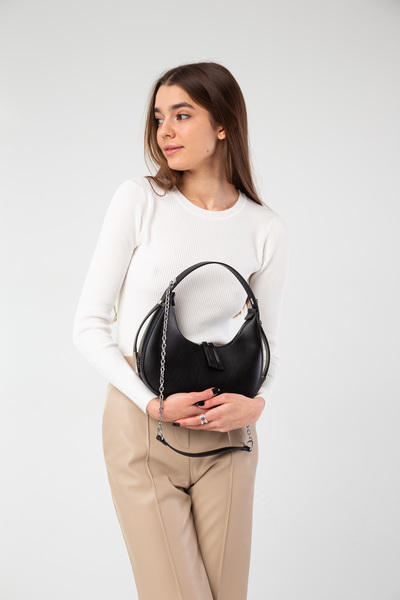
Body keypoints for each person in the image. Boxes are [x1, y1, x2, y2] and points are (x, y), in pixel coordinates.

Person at [72, 61, 290, 600]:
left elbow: (267, 344)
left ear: (224, 124)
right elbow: (89, 326)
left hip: (228, 430)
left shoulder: (264, 227)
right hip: (143, 421)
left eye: (182, 115)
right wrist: (151, 404)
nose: (164, 131)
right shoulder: (140, 200)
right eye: (158, 118)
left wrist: (256, 404)